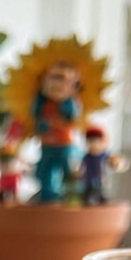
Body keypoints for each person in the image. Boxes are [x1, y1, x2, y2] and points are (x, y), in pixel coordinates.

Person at [32, 60, 81, 203]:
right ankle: (48, 194)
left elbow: (73, 116)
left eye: (62, 79)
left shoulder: (70, 103)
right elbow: (37, 120)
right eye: (53, 78)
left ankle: (71, 194)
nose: (56, 84)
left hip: (65, 144)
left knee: (69, 170)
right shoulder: (42, 104)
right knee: (44, 170)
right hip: (47, 144)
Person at [80, 123, 126, 205]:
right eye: (90, 141)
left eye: (95, 141)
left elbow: (116, 162)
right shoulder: (86, 157)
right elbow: (80, 167)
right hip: (88, 182)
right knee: (88, 198)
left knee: (102, 197)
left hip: (101, 181)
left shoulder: (104, 156)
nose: (93, 144)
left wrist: (116, 164)